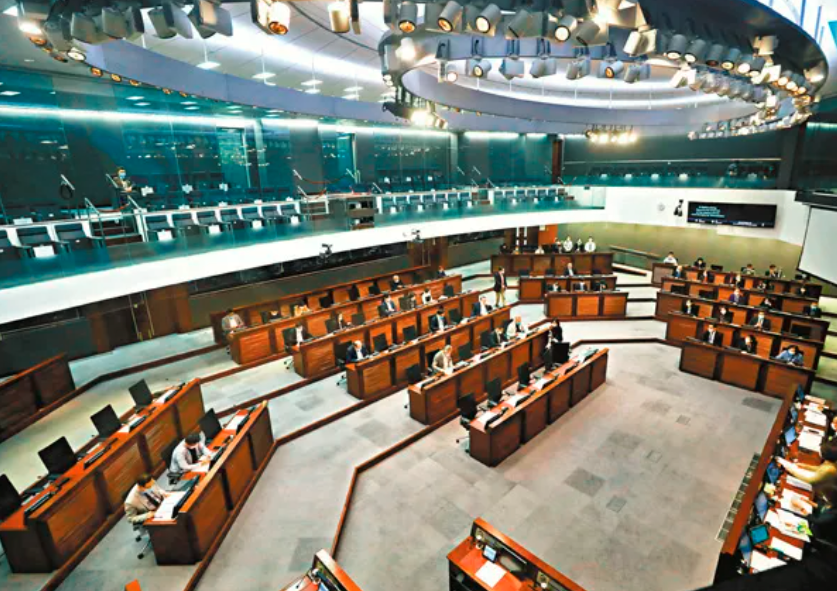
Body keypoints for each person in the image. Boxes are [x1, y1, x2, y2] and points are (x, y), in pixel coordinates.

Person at [777, 439, 837, 505]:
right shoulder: (832, 462)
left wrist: (791, 469)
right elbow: (820, 469)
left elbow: (810, 480)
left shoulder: (830, 469)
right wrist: (805, 466)